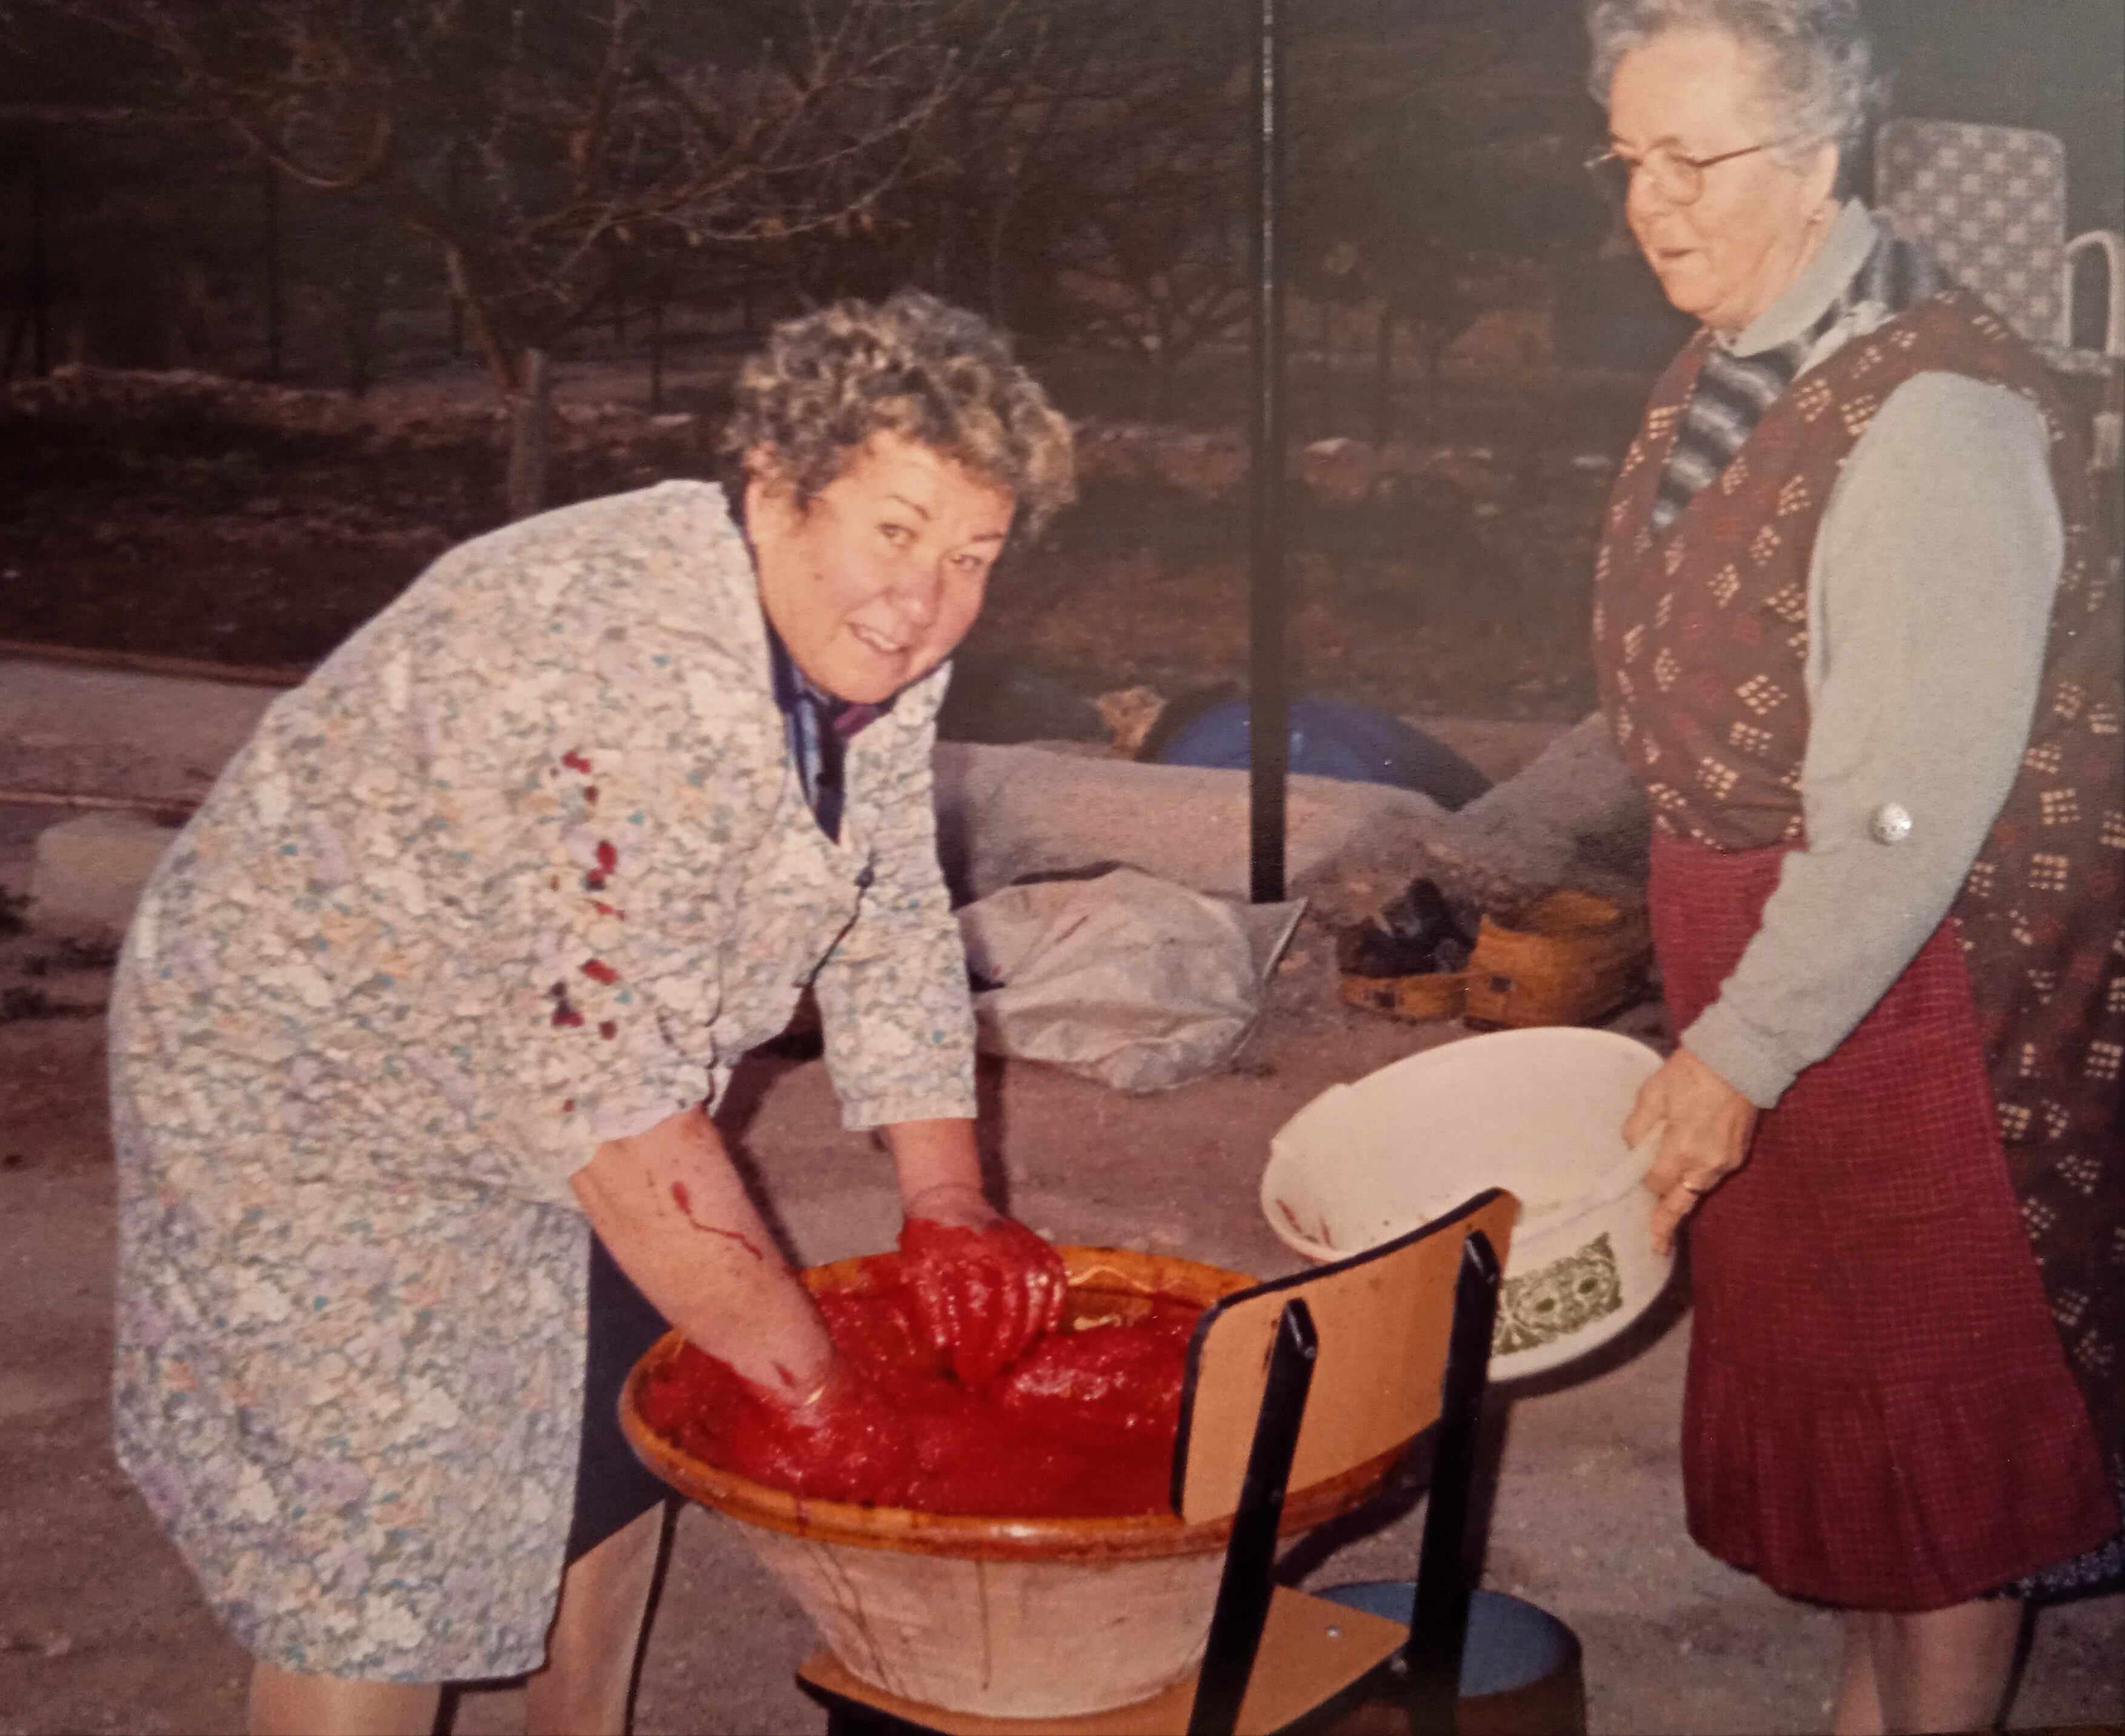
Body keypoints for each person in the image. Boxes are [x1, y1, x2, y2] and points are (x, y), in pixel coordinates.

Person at [108, 290, 1076, 1735]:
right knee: (388, 1536)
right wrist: (828, 1406)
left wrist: (946, 1193)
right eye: (895, 528)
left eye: (970, 555)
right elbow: (619, 1116)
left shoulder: (866, 646)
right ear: (775, 488)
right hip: (309, 1073)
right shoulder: (618, 661)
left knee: (618, 1436)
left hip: (554, 1049)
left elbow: (883, 904)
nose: (924, 595)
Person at [1581, 2, 2125, 1729]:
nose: (1646, 205)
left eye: (1691, 159)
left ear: (1816, 160)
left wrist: (1739, 1048)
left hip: (1912, 1001)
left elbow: (1908, 804)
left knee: (1940, 1459)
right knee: (1853, 1427)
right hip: (1783, 961)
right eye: (1626, 159)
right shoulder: (1748, 353)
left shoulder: (1932, 422)